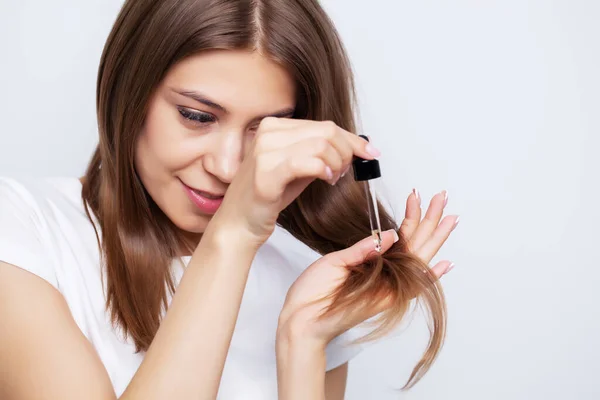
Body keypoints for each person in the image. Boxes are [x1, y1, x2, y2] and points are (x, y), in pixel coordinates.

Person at [0, 0, 459, 399]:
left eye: (266, 129)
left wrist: (302, 341)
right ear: (129, 91)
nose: (226, 166)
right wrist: (234, 234)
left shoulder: (306, 278)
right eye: (197, 116)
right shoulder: (23, 235)